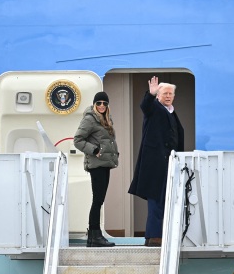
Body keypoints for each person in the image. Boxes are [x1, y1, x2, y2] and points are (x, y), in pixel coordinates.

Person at [128, 76, 184, 247]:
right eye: (165, 93)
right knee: (156, 201)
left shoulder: (171, 112)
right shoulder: (154, 108)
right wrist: (150, 95)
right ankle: (154, 236)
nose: (168, 96)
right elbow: (145, 106)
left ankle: (155, 235)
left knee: (164, 200)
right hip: (155, 165)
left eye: (170, 93)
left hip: (168, 164)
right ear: (158, 95)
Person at [73, 91, 120, 247]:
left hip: (105, 164)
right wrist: (94, 150)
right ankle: (94, 235)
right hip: (97, 164)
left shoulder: (106, 119)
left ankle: (95, 236)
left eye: (104, 103)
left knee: (99, 200)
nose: (101, 106)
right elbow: (78, 140)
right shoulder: (90, 119)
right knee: (97, 200)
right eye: (98, 103)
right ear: (94, 104)